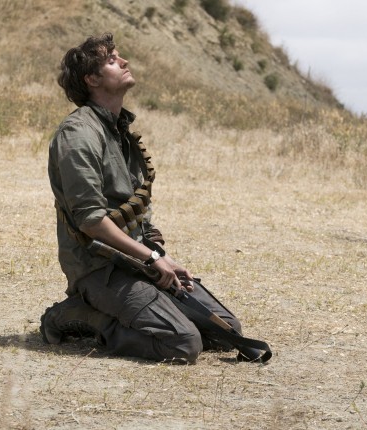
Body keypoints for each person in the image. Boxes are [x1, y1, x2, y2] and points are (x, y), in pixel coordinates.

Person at [40, 33, 242, 363]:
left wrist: (162, 257)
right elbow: (91, 220)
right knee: (183, 345)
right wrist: (150, 259)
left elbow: (137, 211)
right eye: (111, 60)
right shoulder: (78, 133)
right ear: (92, 79)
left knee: (227, 332)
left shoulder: (120, 132)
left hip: (136, 260)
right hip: (99, 268)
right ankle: (78, 314)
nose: (124, 62)